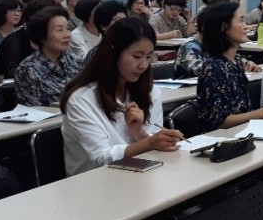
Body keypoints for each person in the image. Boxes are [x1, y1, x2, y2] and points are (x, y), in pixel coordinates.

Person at [59, 17, 183, 176]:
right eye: (137, 56)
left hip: (140, 175)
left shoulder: (149, 92)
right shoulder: (81, 98)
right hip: (94, 181)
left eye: (148, 56)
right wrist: (149, 142)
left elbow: (153, 143)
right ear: (113, 53)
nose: (143, 65)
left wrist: (140, 134)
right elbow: (101, 157)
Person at [196, 2, 263, 132]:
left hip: (243, 132)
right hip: (222, 138)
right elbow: (219, 123)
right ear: (223, 27)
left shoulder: (235, 61)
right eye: (241, 21)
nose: (246, 26)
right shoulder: (214, 68)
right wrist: (262, 113)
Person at [14, 6, 84, 106]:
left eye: (68, 29)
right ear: (42, 35)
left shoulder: (76, 60)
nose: (67, 35)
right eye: (59, 30)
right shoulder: (28, 69)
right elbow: (32, 108)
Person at [174, 12, 261, 79]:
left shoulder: (216, 43)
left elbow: (232, 58)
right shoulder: (190, 45)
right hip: (188, 90)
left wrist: (247, 63)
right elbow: (200, 70)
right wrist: (234, 67)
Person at [0, 0, 56, 77]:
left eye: (19, 11)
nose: (17, 14)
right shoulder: (14, 41)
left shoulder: (49, 38)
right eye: (13, 10)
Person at [82, 0, 128, 65]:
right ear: (103, 26)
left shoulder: (131, 48)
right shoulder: (95, 54)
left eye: (125, 20)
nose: (124, 25)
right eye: (118, 21)